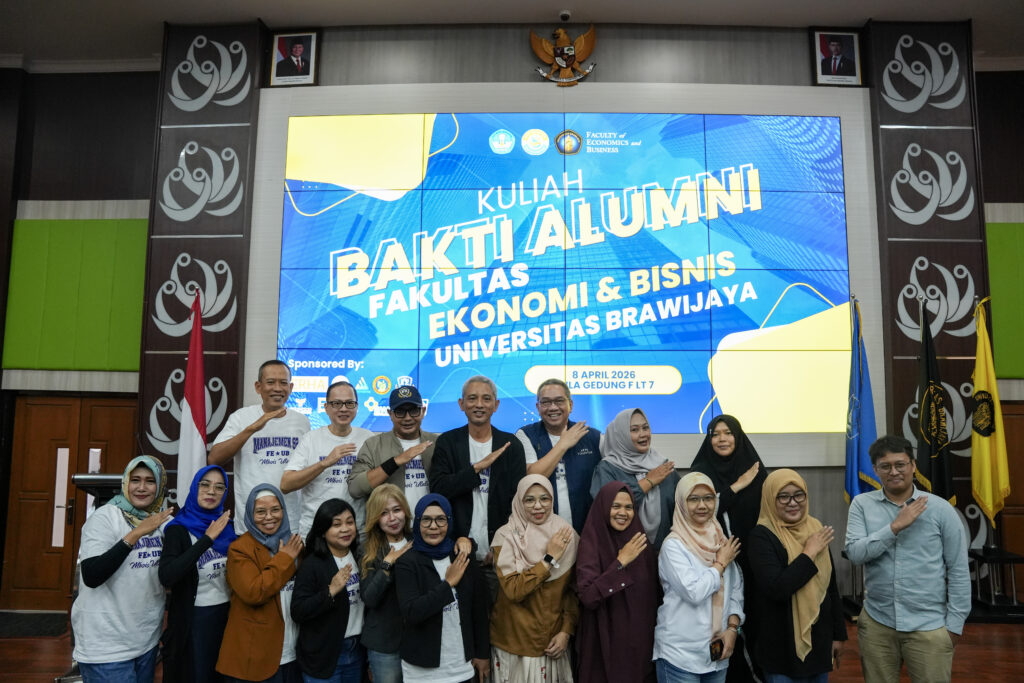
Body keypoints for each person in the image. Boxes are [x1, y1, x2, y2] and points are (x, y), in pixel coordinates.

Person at [844, 435, 970, 683]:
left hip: (929, 626)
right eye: (885, 466)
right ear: (875, 470)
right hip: (877, 625)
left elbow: (958, 570)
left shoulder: (940, 509)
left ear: (913, 465)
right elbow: (855, 554)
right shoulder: (862, 505)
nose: (894, 472)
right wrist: (894, 527)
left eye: (900, 464)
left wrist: (954, 626)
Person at [71, 455, 172, 683]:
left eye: (150, 481)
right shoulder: (105, 517)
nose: (142, 488)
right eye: (135, 480)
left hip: (145, 641)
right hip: (106, 647)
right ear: (126, 482)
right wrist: (136, 533)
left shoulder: (162, 521)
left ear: (160, 486)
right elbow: (92, 575)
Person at [428, 375, 526, 596]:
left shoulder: (510, 445)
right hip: (455, 552)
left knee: (497, 616)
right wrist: (476, 469)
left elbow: (518, 502)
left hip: (500, 555)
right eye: (472, 398)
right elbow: (439, 489)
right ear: (461, 404)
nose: (479, 404)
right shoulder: (447, 442)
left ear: (496, 405)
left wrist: (502, 544)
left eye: (486, 399)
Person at [746, 469, 846, 683]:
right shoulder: (761, 536)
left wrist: (838, 635)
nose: (793, 503)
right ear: (770, 499)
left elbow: (830, 587)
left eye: (798, 495)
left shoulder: (815, 528)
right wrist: (809, 553)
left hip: (819, 641)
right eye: (783, 496)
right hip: (781, 647)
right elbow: (777, 588)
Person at [690, 414, 767, 682]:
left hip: (754, 561)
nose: (722, 439)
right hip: (715, 561)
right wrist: (737, 486)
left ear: (738, 436)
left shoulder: (754, 468)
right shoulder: (700, 472)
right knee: (720, 623)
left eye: (728, 433)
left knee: (754, 620)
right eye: (716, 434)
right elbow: (697, 512)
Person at [654, 473, 743, 683]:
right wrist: (720, 563)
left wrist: (733, 628)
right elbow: (694, 592)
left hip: (717, 654)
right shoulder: (673, 546)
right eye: (693, 499)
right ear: (681, 503)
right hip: (680, 656)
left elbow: (735, 590)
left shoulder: (721, 540)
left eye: (708, 498)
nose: (702, 505)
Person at [490, 474, 579, 683]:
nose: (538, 506)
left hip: (554, 643)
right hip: (515, 643)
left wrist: (566, 631)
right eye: (529, 500)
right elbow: (514, 591)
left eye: (544, 498)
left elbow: (572, 592)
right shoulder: (505, 537)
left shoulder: (567, 535)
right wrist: (548, 559)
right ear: (519, 502)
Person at [394, 494, 490, 682]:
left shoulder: (462, 556)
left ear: (450, 521)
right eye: (426, 520)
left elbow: (478, 610)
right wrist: (448, 584)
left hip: (461, 664)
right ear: (417, 522)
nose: (433, 526)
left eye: (440, 519)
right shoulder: (407, 562)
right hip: (421, 669)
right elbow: (412, 611)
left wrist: (482, 653)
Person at [209, 360, 311, 535]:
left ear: (291, 387)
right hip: (251, 521)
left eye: (283, 383)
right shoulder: (241, 417)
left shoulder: (302, 421)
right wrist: (251, 429)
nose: (277, 388)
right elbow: (214, 458)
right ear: (258, 387)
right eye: (270, 382)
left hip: (291, 520)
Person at [217, 485, 304, 683]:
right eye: (261, 512)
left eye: (275, 509)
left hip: (293, 652)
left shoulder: (294, 544)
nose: (269, 517)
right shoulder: (240, 549)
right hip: (256, 657)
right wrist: (284, 558)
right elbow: (254, 592)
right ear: (250, 514)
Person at [159, 465, 236, 683]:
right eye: (205, 485)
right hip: (193, 622)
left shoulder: (228, 528)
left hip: (226, 617)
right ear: (194, 487)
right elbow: (167, 576)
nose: (211, 491)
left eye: (219, 487)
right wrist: (207, 540)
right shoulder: (178, 529)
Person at [576, 481, 658, 683]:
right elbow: (588, 597)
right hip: (604, 642)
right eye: (616, 506)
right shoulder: (591, 543)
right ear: (604, 507)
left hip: (639, 645)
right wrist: (620, 563)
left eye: (629, 507)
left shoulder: (641, 543)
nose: (623, 513)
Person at [281, 381, 373, 537]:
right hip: (316, 532)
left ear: (356, 407)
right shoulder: (311, 439)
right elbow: (286, 484)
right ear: (326, 407)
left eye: (349, 403)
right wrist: (325, 463)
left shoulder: (367, 438)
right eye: (336, 403)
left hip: (356, 532)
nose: (343, 409)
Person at [291, 499, 365, 683]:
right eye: (336, 524)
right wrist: (330, 591)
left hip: (357, 651)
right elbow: (298, 611)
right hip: (324, 655)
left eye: (349, 522)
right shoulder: (312, 564)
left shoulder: (360, 556)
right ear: (323, 531)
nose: (345, 529)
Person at [516, 378, 601, 533]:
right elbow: (533, 477)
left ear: (571, 405)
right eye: (546, 402)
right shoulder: (525, 435)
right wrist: (563, 444)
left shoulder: (592, 437)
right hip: (541, 531)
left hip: (587, 529)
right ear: (538, 407)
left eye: (559, 401)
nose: (553, 407)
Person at [591, 408, 678, 547]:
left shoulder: (662, 466)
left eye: (645, 428)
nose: (643, 434)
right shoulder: (607, 468)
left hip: (663, 551)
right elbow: (606, 508)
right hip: (621, 551)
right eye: (634, 430)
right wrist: (648, 482)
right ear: (621, 435)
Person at [349, 385, 437, 514]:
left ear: (423, 411)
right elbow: (355, 489)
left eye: (413, 410)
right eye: (400, 412)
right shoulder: (373, 445)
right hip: (390, 524)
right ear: (390, 414)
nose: (408, 417)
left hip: (429, 524)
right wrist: (395, 462)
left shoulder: (437, 443)